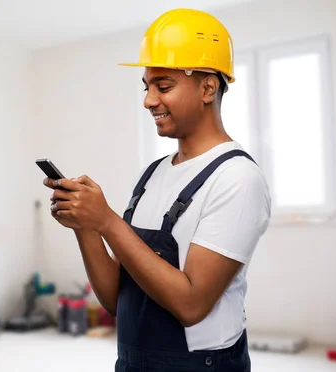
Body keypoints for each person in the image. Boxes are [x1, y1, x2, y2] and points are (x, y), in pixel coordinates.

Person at [43, 8, 271, 372]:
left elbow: (192, 305)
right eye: (147, 87)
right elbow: (119, 300)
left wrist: (107, 221)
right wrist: (86, 227)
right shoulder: (153, 174)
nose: (149, 100)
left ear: (208, 87)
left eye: (163, 86)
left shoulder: (237, 178)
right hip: (134, 361)